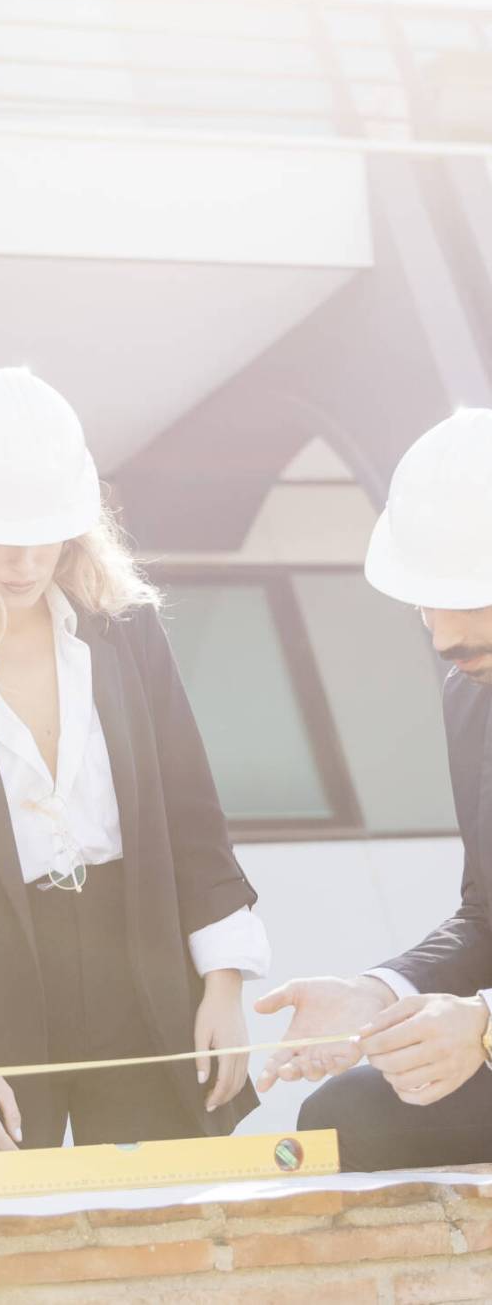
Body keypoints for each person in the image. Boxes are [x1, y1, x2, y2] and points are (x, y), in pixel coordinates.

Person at [0, 367, 270, 1155]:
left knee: (181, 1204)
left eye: (44, 531)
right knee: (4, 1216)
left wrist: (224, 987)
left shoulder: (127, 629)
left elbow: (194, 818)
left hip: (146, 960)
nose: (24, 560)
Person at [256, 409, 492, 1171]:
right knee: (346, 1118)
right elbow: (487, 915)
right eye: (426, 602)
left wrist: (483, 1026)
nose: (446, 641)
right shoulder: (470, 692)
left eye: (472, 602)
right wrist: (378, 993)